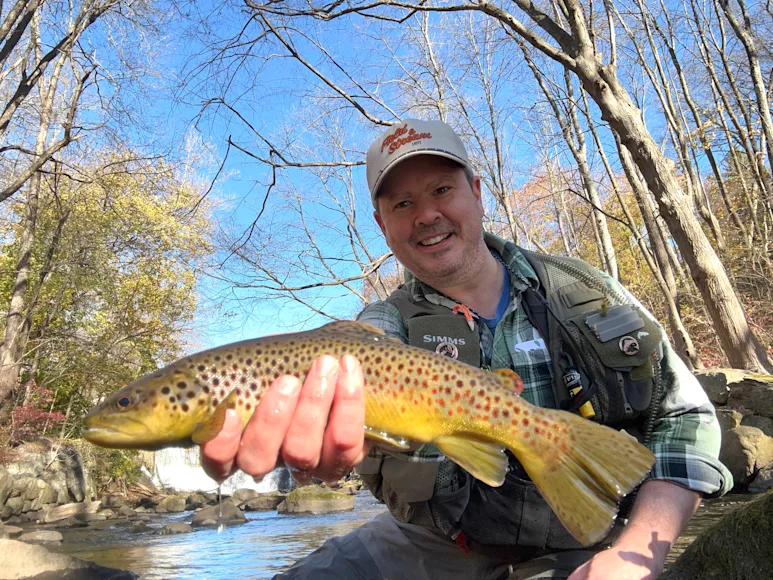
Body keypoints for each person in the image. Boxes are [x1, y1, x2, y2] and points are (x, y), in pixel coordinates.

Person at [200, 119, 732, 580]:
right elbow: (364, 347)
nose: (426, 214)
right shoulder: (385, 325)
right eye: (403, 203)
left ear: (477, 192)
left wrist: (639, 548)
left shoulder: (581, 289)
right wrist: (316, 436)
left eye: (441, 190)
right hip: (433, 544)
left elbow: (684, 417)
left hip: (584, 538)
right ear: (384, 226)